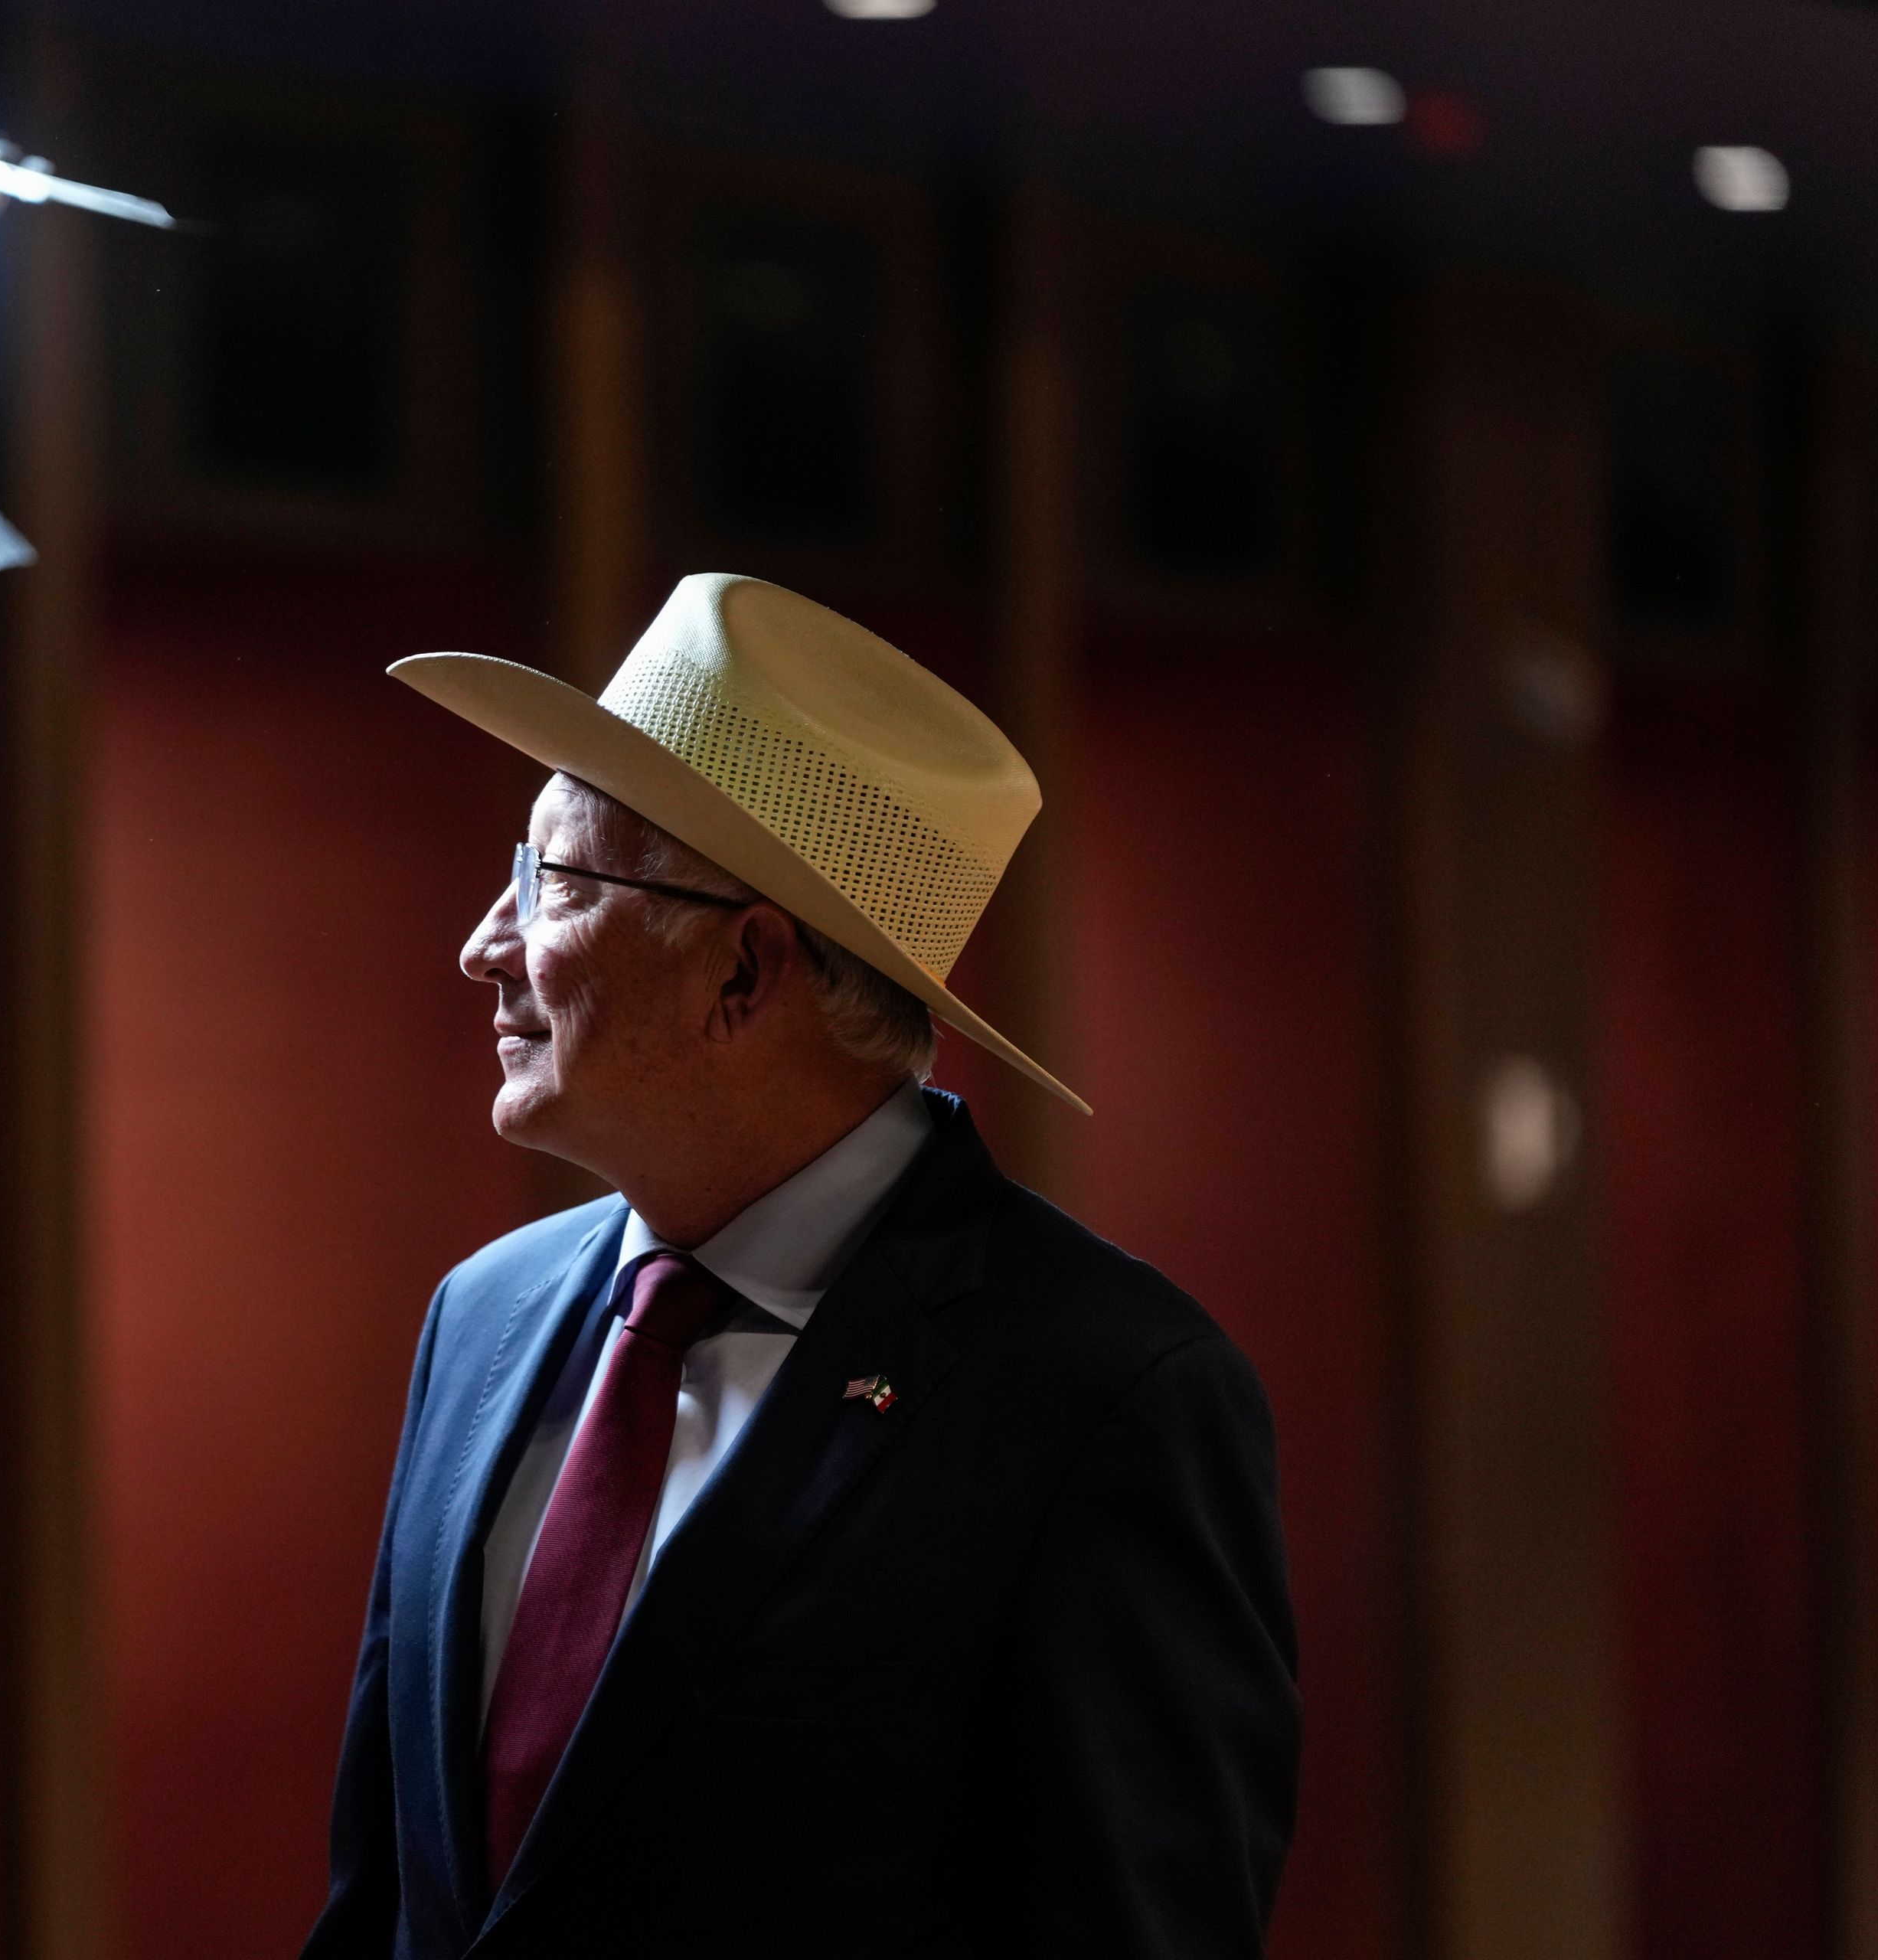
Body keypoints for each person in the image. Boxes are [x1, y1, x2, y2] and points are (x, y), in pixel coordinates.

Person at [300, 574, 1298, 1959]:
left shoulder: (1102, 1396)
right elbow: (382, 1912)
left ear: (747, 973)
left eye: (555, 882)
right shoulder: (484, 1316)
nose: (487, 947)